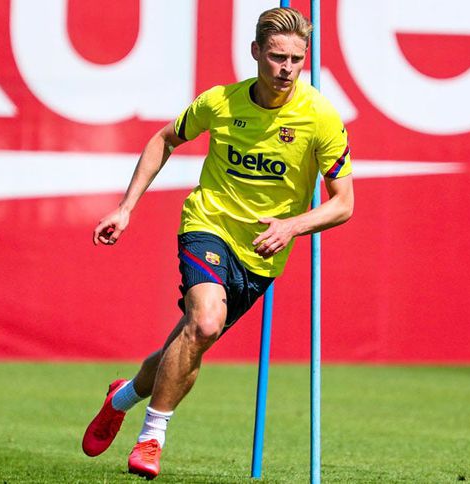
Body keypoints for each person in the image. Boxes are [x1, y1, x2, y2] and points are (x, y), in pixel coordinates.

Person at [81, 7, 353, 480]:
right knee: (205, 323)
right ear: (255, 52)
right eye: (277, 57)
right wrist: (126, 207)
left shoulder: (321, 117)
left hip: (262, 252)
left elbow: (343, 203)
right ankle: (152, 438)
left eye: (296, 59)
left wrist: (292, 226)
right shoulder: (220, 102)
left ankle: (120, 398)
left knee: (189, 341)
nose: (286, 69)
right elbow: (164, 139)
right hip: (208, 224)